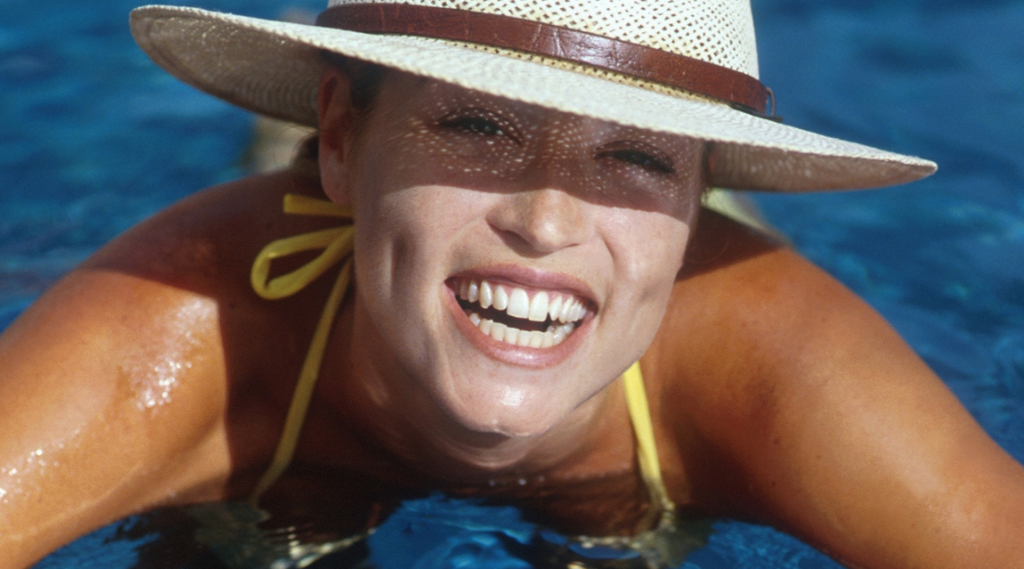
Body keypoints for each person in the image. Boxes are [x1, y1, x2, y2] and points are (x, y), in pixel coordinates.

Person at [2, 0, 1023, 567]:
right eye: (479, 125)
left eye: (640, 157)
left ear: (691, 208)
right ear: (347, 140)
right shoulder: (184, 330)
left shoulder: (771, 364)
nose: (545, 218)